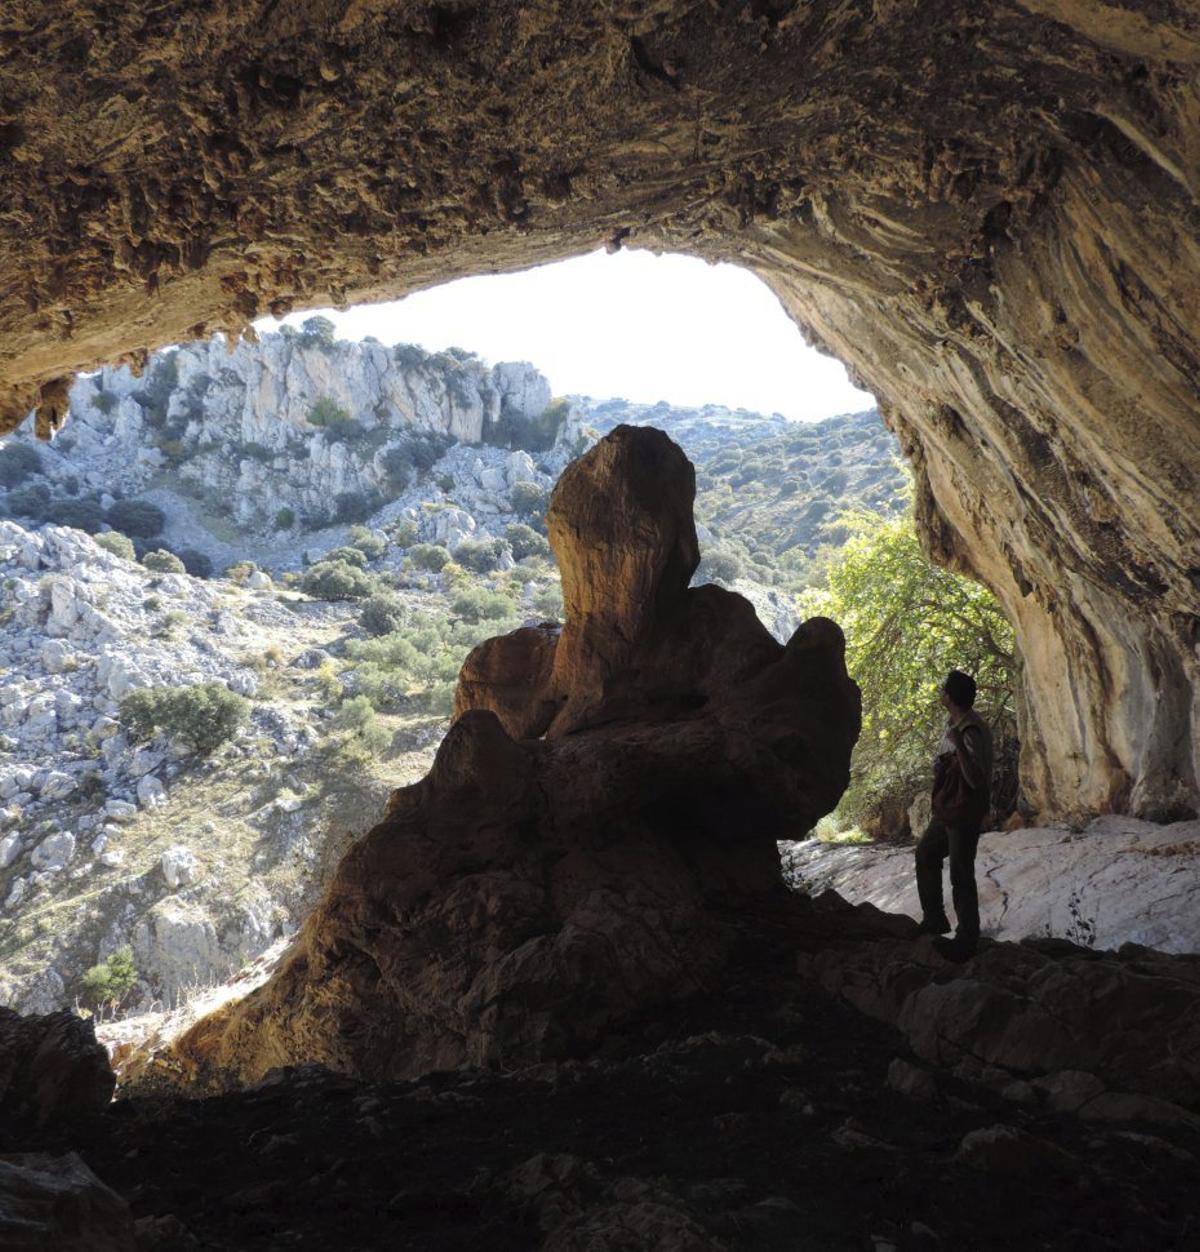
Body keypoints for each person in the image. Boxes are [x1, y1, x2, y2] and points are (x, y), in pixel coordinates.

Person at [914, 669, 993, 961]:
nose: (941, 692)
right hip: (950, 809)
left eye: (944, 689)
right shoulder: (954, 724)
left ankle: (967, 938)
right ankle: (935, 919)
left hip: (965, 811)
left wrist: (958, 745)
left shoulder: (970, 730)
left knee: (961, 873)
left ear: (950, 696)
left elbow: (975, 780)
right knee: (926, 854)